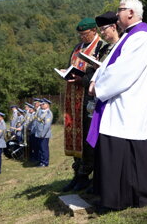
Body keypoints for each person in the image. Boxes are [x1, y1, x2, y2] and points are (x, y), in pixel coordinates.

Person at [87, 0, 147, 210]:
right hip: (121, 102)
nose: (117, 14)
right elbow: (108, 65)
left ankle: (126, 197)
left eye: (120, 9)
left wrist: (98, 88)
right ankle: (117, 197)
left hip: (130, 104)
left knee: (125, 151)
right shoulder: (129, 37)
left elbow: (122, 72)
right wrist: (97, 78)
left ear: (131, 13)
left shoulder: (140, 37)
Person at [62, 18, 106, 192]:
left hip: (88, 99)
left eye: (85, 34)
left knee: (87, 138)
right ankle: (77, 173)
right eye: (79, 34)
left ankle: (86, 173)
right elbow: (71, 66)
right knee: (74, 135)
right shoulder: (77, 48)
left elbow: (101, 73)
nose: (82, 37)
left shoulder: (100, 46)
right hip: (72, 100)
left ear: (94, 31)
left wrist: (83, 80)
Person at [35, 98, 53, 167]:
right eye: (41, 104)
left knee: (44, 149)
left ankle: (45, 162)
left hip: (44, 135)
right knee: (40, 148)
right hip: (39, 134)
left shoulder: (48, 113)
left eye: (43, 104)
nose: (41, 105)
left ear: (47, 105)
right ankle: (41, 161)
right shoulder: (41, 111)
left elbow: (47, 125)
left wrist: (42, 134)